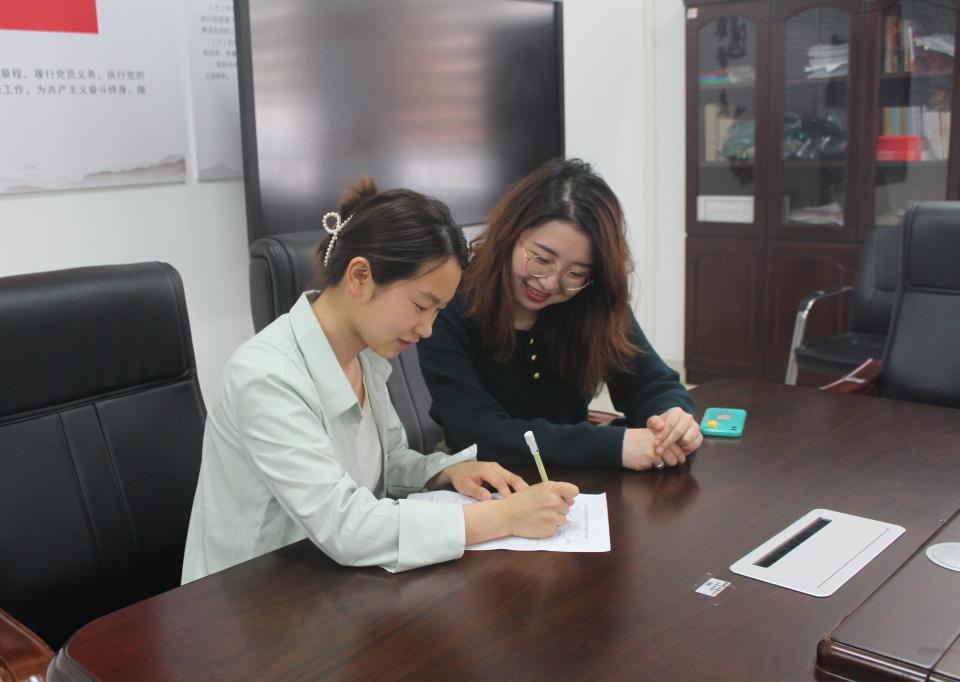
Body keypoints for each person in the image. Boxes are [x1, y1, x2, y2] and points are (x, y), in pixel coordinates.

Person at [182, 176, 578, 582]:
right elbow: (344, 526)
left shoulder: (363, 355)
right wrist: (503, 517)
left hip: (324, 582)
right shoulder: (268, 378)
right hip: (248, 596)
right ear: (360, 276)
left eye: (438, 312)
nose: (427, 329)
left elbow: (387, 464)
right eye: (421, 305)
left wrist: (444, 471)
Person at [418, 158, 702, 471]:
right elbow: (479, 432)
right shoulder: (449, 305)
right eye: (541, 259)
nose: (551, 283)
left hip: (574, 474)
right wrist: (612, 445)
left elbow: (650, 385)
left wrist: (671, 418)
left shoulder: (592, 301)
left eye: (576, 273)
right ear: (510, 234)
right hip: (478, 474)